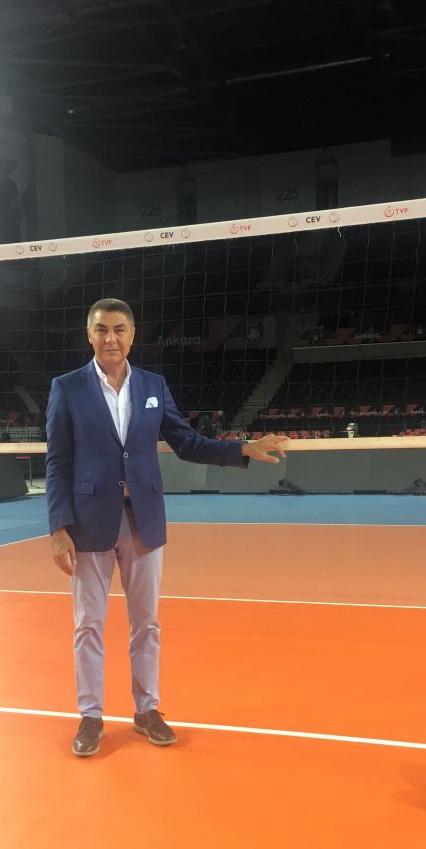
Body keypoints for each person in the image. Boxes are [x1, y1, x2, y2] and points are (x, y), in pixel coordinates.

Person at [45, 298, 289, 757]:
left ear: (133, 335)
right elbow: (58, 462)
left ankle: (147, 710)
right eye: (102, 329)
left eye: (119, 329)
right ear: (89, 334)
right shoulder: (67, 387)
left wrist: (241, 448)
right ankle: (91, 716)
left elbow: (187, 442)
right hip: (88, 524)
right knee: (88, 625)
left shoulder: (153, 385)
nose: (111, 338)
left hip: (143, 520)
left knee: (147, 623)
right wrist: (59, 526)